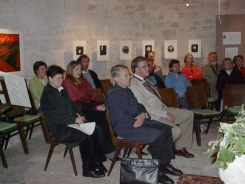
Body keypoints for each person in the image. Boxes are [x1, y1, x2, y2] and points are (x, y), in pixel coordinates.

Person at [105, 64, 183, 184]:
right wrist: (138, 120)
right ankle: (159, 171)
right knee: (159, 135)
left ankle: (165, 165)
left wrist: (142, 115)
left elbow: (139, 106)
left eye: (129, 75)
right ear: (116, 78)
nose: (129, 77)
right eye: (126, 75)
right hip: (127, 127)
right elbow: (120, 118)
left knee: (167, 129)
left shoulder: (126, 89)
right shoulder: (114, 94)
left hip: (138, 121)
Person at [40, 65, 107, 178]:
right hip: (60, 127)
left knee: (96, 130)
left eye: (62, 78)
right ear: (50, 78)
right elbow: (56, 116)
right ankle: (87, 169)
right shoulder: (47, 95)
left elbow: (73, 107)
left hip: (71, 122)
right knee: (85, 136)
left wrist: (80, 116)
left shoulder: (61, 90)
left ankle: (97, 161)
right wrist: (74, 119)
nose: (61, 81)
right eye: (58, 78)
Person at [129, 56, 194, 158]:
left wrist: (166, 110)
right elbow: (143, 106)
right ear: (136, 69)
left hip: (162, 108)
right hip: (153, 115)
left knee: (189, 114)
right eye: (144, 67)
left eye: (148, 65)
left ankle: (179, 147)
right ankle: (155, 146)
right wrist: (165, 114)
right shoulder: (134, 84)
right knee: (176, 131)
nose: (148, 68)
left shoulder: (146, 80)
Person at [63, 61, 114, 155]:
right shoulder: (68, 83)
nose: (79, 71)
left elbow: (92, 94)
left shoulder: (82, 80)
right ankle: (106, 149)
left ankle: (109, 145)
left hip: (88, 107)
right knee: (103, 117)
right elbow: (76, 102)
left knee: (108, 112)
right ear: (70, 70)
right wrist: (96, 107)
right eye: (76, 69)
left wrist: (98, 105)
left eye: (80, 69)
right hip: (79, 113)